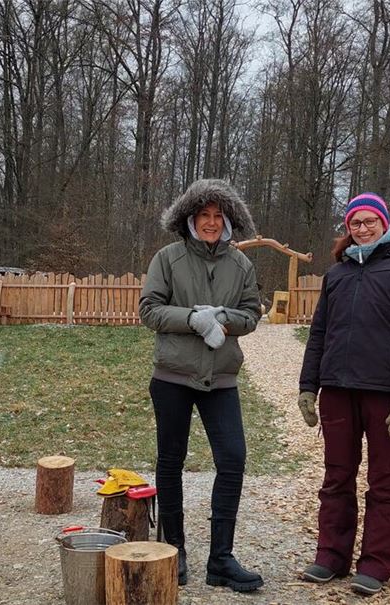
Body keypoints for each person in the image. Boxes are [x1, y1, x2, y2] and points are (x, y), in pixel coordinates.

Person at [296, 192, 390, 596]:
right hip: (338, 391)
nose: (361, 228)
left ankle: (376, 563)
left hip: (384, 395)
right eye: (355, 223)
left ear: (385, 223)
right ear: (348, 227)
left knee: (384, 481)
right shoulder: (336, 275)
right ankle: (331, 555)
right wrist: (308, 386)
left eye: (369, 221)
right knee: (336, 476)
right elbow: (318, 334)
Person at [139, 178, 264, 592]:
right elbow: (150, 310)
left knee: (233, 459)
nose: (211, 223)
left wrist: (224, 318)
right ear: (190, 218)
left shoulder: (240, 264)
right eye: (204, 215)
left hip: (222, 378)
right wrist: (193, 318)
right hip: (173, 376)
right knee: (170, 463)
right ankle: (173, 551)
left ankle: (221, 560)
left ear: (228, 221)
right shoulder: (168, 258)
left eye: (218, 216)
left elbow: (252, 313)